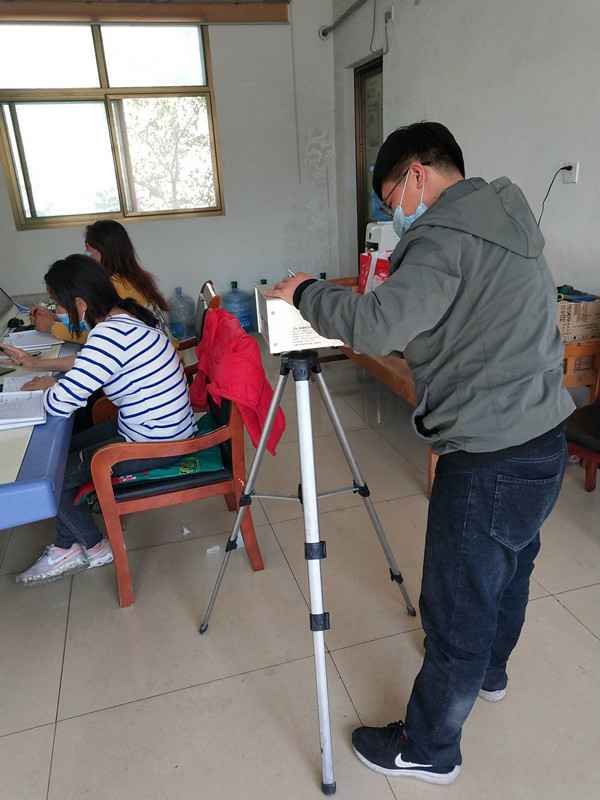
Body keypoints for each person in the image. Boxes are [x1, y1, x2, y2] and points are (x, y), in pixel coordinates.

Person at [267, 122, 574, 785]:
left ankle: (429, 748)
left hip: (488, 453)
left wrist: (306, 293)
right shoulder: (506, 215)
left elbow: (377, 326)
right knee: (509, 569)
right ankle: (490, 673)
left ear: (415, 175)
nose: (395, 217)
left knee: (457, 604)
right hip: (546, 438)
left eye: (391, 202)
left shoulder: (443, 236)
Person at [12, 254, 195, 585]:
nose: (57, 313)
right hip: (155, 429)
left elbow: (63, 402)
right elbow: (89, 363)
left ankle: (93, 547)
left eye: (59, 306)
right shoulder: (123, 317)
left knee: (51, 476)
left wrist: (37, 395)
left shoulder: (109, 335)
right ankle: (66, 544)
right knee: (64, 452)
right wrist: (40, 368)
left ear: (80, 304)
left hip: (157, 442)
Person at [32, 219, 169, 343]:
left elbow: (100, 336)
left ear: (101, 250)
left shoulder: (116, 285)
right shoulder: (131, 276)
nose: (87, 255)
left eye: (88, 249)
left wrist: (52, 327)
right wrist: (58, 318)